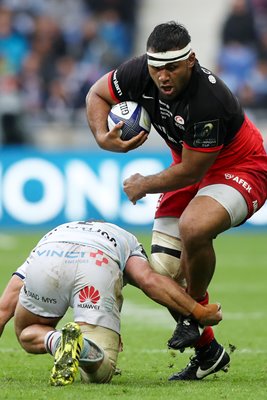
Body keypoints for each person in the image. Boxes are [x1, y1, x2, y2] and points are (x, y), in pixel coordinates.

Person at [85, 21, 267, 380]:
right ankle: (208, 352)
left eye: (171, 67)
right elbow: (96, 94)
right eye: (157, 68)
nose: (162, 76)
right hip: (188, 164)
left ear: (191, 61)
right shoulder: (140, 71)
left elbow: (192, 172)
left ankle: (189, 315)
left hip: (241, 167)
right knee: (163, 271)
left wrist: (144, 184)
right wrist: (102, 137)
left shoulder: (208, 99)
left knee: (194, 227)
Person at [0, 220, 222, 386]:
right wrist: (199, 311)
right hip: (97, 261)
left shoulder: (54, 235)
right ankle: (85, 347)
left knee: (28, 332)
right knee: (99, 373)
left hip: (47, 258)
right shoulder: (127, 240)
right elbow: (150, 281)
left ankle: (57, 340)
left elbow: (4, 309)